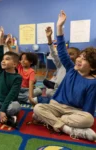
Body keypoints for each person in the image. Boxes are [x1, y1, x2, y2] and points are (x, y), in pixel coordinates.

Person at [33, 10, 96, 141]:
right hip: (56, 105)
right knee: (38, 108)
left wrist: (82, 117)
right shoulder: (71, 69)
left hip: (74, 111)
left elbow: (88, 109)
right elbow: (61, 50)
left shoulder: (93, 82)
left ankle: (53, 121)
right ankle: (66, 128)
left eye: (84, 59)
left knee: (89, 119)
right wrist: (59, 27)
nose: (79, 59)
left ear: (93, 67)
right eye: (80, 56)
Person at [38, 27, 80, 103]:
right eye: (67, 54)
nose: (68, 56)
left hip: (70, 93)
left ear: (78, 56)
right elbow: (54, 53)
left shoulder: (79, 69)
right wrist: (49, 38)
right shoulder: (61, 64)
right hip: (58, 89)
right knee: (48, 92)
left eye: (72, 54)